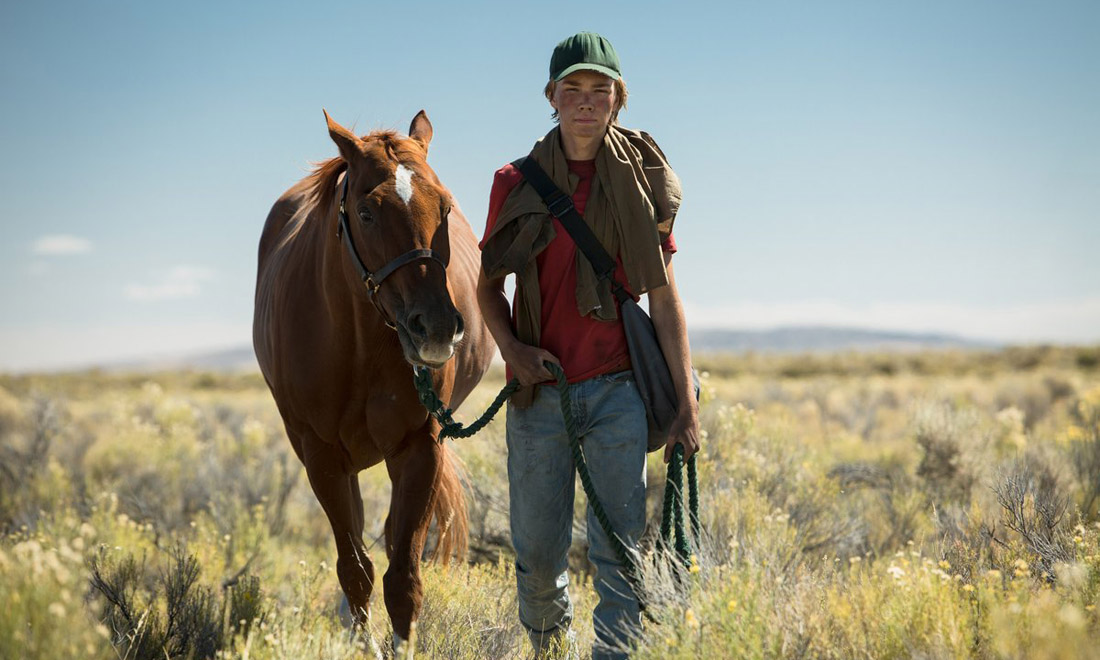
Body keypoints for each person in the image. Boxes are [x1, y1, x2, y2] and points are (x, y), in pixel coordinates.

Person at [476, 32, 700, 660]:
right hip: (540, 393)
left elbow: (664, 297)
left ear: (617, 99)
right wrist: (512, 354)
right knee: (538, 560)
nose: (585, 101)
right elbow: (487, 285)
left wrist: (687, 404)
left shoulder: (645, 179)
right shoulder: (514, 181)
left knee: (621, 557)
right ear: (550, 97)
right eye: (571, 89)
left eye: (599, 89)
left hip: (619, 391)